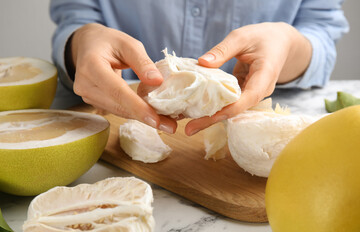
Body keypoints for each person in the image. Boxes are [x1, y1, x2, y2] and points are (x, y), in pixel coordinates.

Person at [50, 0, 348, 136]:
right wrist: (81, 43)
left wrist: (289, 44)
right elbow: (76, 14)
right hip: (110, 119)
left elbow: (320, 26)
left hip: (262, 111)